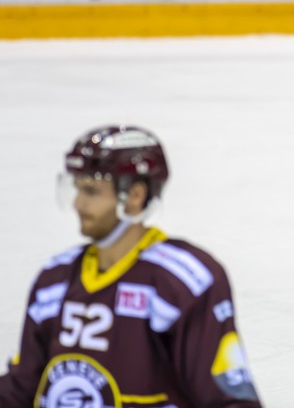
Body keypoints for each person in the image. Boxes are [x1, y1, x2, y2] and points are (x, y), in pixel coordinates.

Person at [0, 125, 262, 407]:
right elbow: (21, 388)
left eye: (91, 191)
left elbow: (228, 399)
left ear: (135, 196)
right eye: (77, 189)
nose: (78, 203)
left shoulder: (182, 282)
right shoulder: (55, 279)